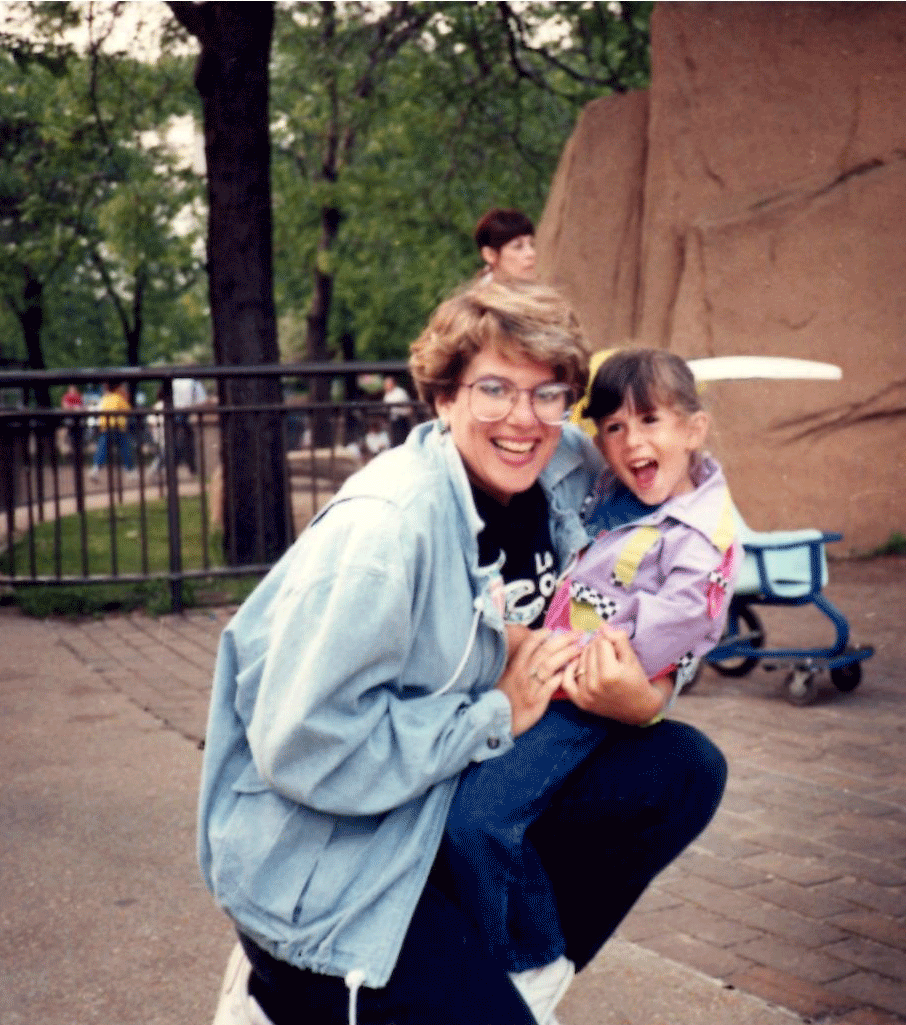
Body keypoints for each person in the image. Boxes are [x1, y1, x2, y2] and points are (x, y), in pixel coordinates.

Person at [200, 280, 728, 1025]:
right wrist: (492, 713)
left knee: (681, 767)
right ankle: (281, 994)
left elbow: (686, 549)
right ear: (443, 396)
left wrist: (648, 691)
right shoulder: (386, 534)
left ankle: (514, 976)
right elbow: (305, 747)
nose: (524, 418)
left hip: (447, 804)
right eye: (494, 388)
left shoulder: (573, 470)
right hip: (342, 861)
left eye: (549, 393)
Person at [443, 347, 742, 988]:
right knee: (471, 811)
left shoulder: (701, 538)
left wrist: (529, 646)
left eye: (650, 420)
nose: (630, 441)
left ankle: (528, 961)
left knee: (477, 822)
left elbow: (650, 655)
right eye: (613, 428)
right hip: (550, 678)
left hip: (577, 700)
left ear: (694, 427)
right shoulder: (622, 492)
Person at [474, 207, 538, 284]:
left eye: (532, 244)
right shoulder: (484, 295)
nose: (531, 253)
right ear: (490, 255)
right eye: (518, 246)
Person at [89, 381, 135, 481]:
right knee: (125, 449)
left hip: (106, 428)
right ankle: (130, 471)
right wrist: (125, 397)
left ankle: (95, 469)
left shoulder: (105, 398)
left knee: (102, 449)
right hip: (118, 428)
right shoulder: (118, 398)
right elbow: (128, 410)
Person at [381, 373, 412, 447]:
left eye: (387, 384)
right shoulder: (387, 395)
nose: (385, 386)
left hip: (402, 420)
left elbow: (407, 408)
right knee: (394, 441)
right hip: (392, 421)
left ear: (392, 384)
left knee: (402, 441)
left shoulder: (400, 392)